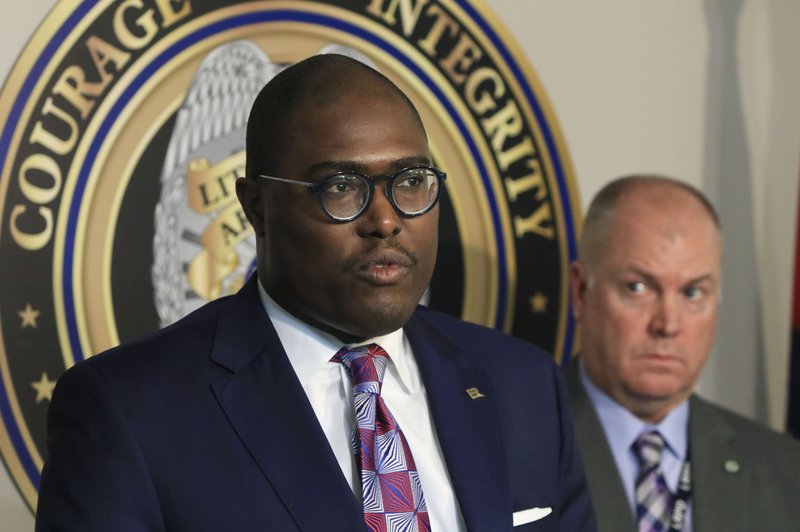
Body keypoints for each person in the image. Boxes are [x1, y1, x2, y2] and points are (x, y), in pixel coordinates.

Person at [36, 54, 596, 531]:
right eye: (342, 187)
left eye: (411, 181)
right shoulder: (131, 410)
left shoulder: (521, 384)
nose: (386, 220)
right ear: (256, 205)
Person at [567, 175, 800, 532]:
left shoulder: (784, 469)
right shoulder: (517, 443)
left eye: (692, 293)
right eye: (638, 288)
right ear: (581, 292)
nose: (668, 324)